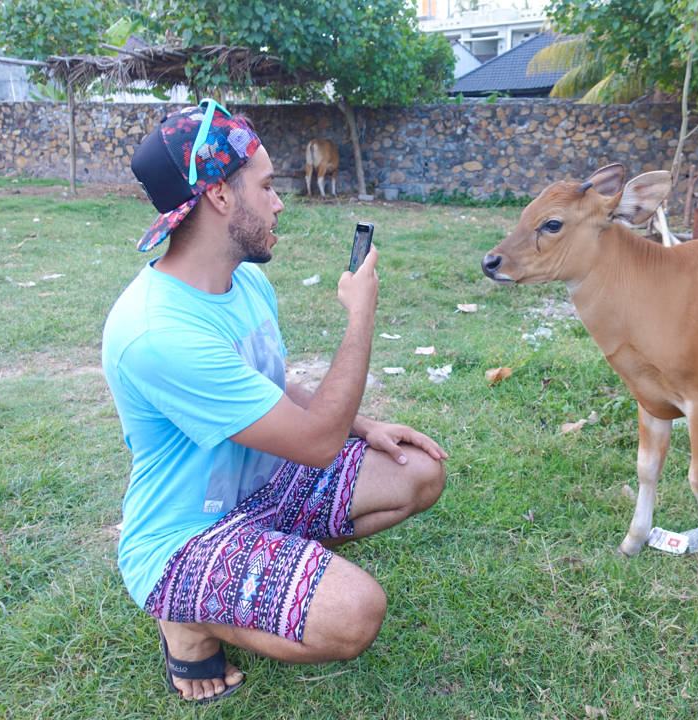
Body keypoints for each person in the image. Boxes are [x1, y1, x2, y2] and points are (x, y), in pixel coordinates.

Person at [101, 100, 447, 704]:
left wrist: (366, 427)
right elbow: (314, 445)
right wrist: (360, 314)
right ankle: (185, 617)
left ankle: (266, 567)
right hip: (183, 535)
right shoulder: (158, 332)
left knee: (417, 471)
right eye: (266, 185)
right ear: (219, 198)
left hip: (259, 493)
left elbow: (271, 382)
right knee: (355, 612)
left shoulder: (245, 278)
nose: (279, 201)